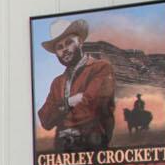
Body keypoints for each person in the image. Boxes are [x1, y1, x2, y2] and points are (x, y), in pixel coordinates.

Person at [37, 19, 115, 151]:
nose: (65, 50)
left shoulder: (101, 68)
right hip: (62, 154)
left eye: (69, 43)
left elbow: (91, 107)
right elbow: (45, 119)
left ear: (80, 42)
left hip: (93, 149)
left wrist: (59, 110)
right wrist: (69, 102)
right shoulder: (57, 82)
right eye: (59, 47)